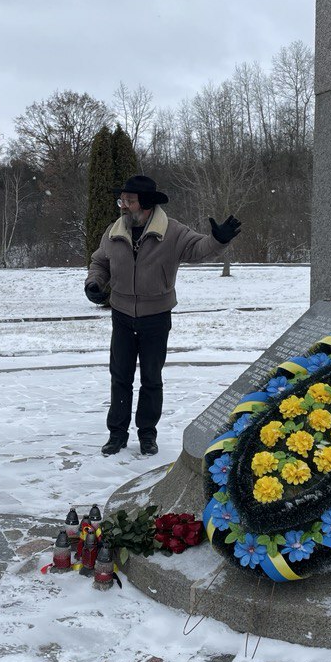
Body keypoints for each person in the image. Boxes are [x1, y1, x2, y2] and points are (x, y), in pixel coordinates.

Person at [85, 175, 241, 456]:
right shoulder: (114, 231)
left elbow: (200, 248)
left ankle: (147, 435)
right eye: (122, 200)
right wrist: (94, 283)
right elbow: (100, 261)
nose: (122, 205)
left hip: (156, 316)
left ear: (144, 204)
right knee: (120, 377)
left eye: (128, 201)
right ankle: (117, 434)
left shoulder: (173, 232)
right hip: (121, 315)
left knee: (151, 378)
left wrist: (219, 239)